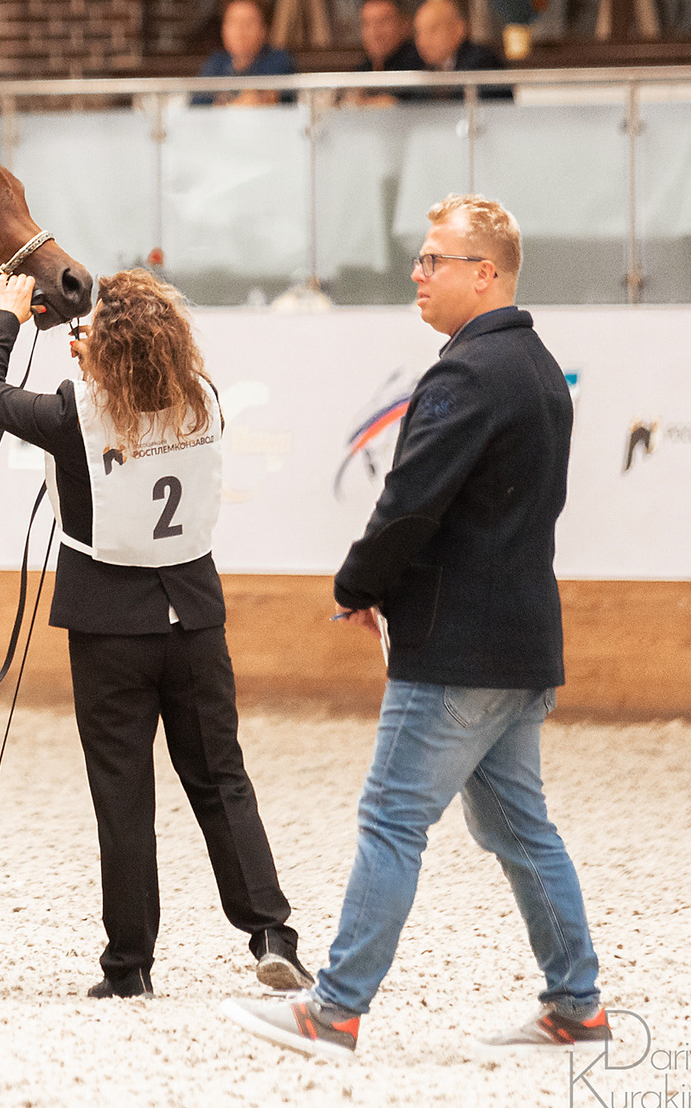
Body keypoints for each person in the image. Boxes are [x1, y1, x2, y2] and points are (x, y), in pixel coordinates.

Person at [224, 194, 604, 1064]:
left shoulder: (466, 375)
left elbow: (409, 503)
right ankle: (576, 1003)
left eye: (435, 259)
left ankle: (335, 1008)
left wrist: (359, 584)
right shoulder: (541, 368)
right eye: (421, 258)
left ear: (486, 272)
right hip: (522, 644)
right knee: (519, 828)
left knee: (393, 817)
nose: (418, 273)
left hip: (455, 648)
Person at [0, 267, 303, 999]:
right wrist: (102, 360)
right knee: (221, 779)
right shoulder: (204, 399)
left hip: (109, 623)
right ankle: (272, 933)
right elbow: (142, 400)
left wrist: (6, 316)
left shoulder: (72, 412)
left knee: (122, 792)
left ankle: (130, 965)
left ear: (101, 344)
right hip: (194, 614)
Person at [195, 0, 296, 107]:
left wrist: (225, 105)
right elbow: (197, 107)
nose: (240, 31)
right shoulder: (216, 63)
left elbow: (264, 101)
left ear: (264, 30)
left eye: (248, 23)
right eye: (233, 22)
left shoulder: (278, 60)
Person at [409, 0, 510, 100]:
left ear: (459, 29)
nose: (422, 41)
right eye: (418, 32)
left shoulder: (482, 61)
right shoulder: (418, 66)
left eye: (433, 30)